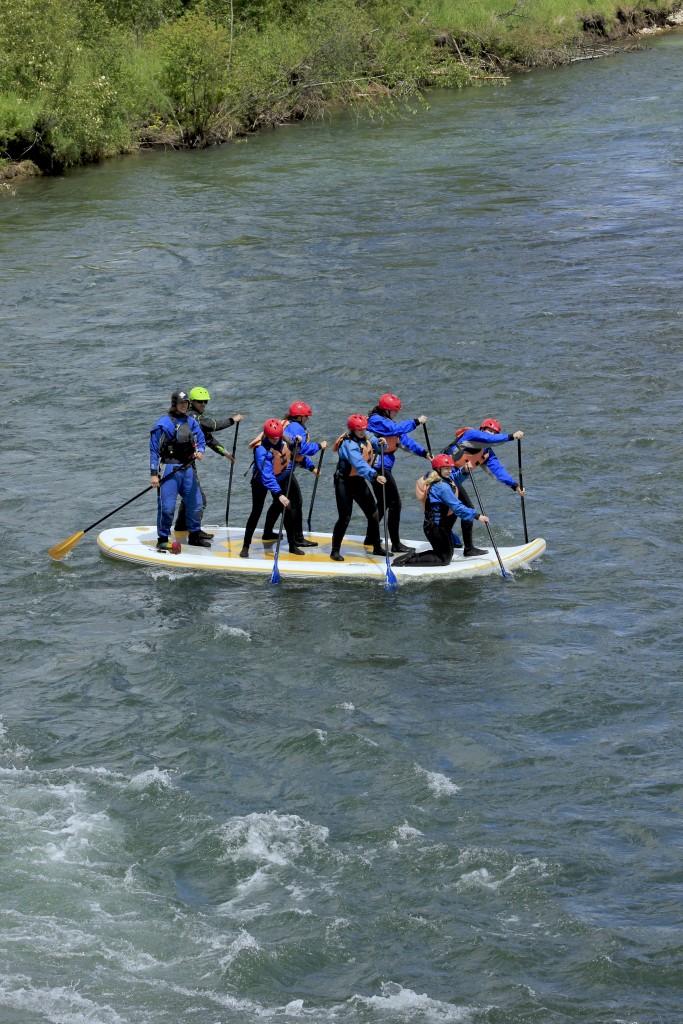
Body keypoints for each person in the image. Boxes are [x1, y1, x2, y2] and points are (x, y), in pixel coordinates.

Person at [442, 417, 525, 557]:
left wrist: (515, 486)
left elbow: (498, 470)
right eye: (489, 430)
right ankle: (467, 548)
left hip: (455, 482)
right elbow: (487, 439)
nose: (491, 434)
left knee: (454, 511)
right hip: (442, 480)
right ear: (482, 429)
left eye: (495, 432)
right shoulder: (471, 435)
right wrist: (511, 437)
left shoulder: (486, 452)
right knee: (467, 509)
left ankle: (447, 536)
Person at [392, 455, 489, 567]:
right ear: (438, 469)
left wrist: (464, 470)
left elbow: (454, 479)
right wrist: (477, 516)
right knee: (443, 560)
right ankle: (405, 561)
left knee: (448, 555)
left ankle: (414, 556)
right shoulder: (441, 486)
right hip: (434, 527)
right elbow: (457, 507)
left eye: (450, 468)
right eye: (446, 468)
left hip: (441, 526)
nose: (449, 471)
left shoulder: (443, 479)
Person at [174, 386, 244, 538]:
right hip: (180, 465)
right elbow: (212, 425)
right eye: (200, 402)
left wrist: (225, 453)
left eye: (205, 401)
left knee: (189, 498)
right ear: (192, 402)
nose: (203, 404)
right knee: (199, 499)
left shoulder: (192, 418)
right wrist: (232, 420)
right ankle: (194, 532)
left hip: (186, 464)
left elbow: (207, 439)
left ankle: (180, 528)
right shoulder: (192, 417)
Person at [366, 392, 430, 554]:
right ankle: (395, 544)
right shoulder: (376, 421)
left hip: (384, 467)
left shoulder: (388, 421)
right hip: (378, 468)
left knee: (383, 503)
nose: (396, 413)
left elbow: (404, 440)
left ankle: (370, 537)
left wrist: (424, 453)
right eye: (394, 411)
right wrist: (416, 422)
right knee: (395, 504)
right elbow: (395, 429)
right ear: (386, 410)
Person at [260, 401, 327, 547]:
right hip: (284, 473)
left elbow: (295, 455)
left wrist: (311, 467)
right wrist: (319, 446)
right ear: (300, 417)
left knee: (278, 503)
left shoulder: (287, 424)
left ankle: (267, 532)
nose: (307, 419)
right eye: (306, 417)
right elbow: (301, 450)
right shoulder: (297, 427)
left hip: (281, 470)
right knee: (296, 503)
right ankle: (297, 538)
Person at [150, 390, 208, 551]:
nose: (184, 405)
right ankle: (162, 539)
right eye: (181, 403)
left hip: (188, 468)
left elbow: (201, 440)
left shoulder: (192, 422)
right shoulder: (163, 424)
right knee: (167, 508)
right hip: (170, 469)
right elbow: (154, 451)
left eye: (186, 403)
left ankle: (194, 537)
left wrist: (200, 450)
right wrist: (154, 475)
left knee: (196, 504)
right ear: (174, 404)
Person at [240, 419, 304, 559]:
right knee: (256, 512)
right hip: (261, 482)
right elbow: (267, 476)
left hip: (279, 479)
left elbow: (292, 445)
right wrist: (279, 494)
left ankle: (293, 545)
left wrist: (296, 439)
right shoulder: (261, 450)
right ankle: (246, 546)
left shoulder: (283, 440)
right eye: (272, 438)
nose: (275, 441)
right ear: (266, 436)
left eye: (277, 438)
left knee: (286, 509)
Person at [330, 414, 389, 562]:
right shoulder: (349, 444)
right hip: (344, 483)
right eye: (359, 430)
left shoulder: (366, 435)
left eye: (364, 429)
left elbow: (376, 442)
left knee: (374, 513)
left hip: (358, 481)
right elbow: (359, 464)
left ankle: (376, 547)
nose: (363, 432)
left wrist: (382, 443)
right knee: (345, 518)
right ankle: (334, 551)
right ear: (352, 430)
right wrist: (375, 476)